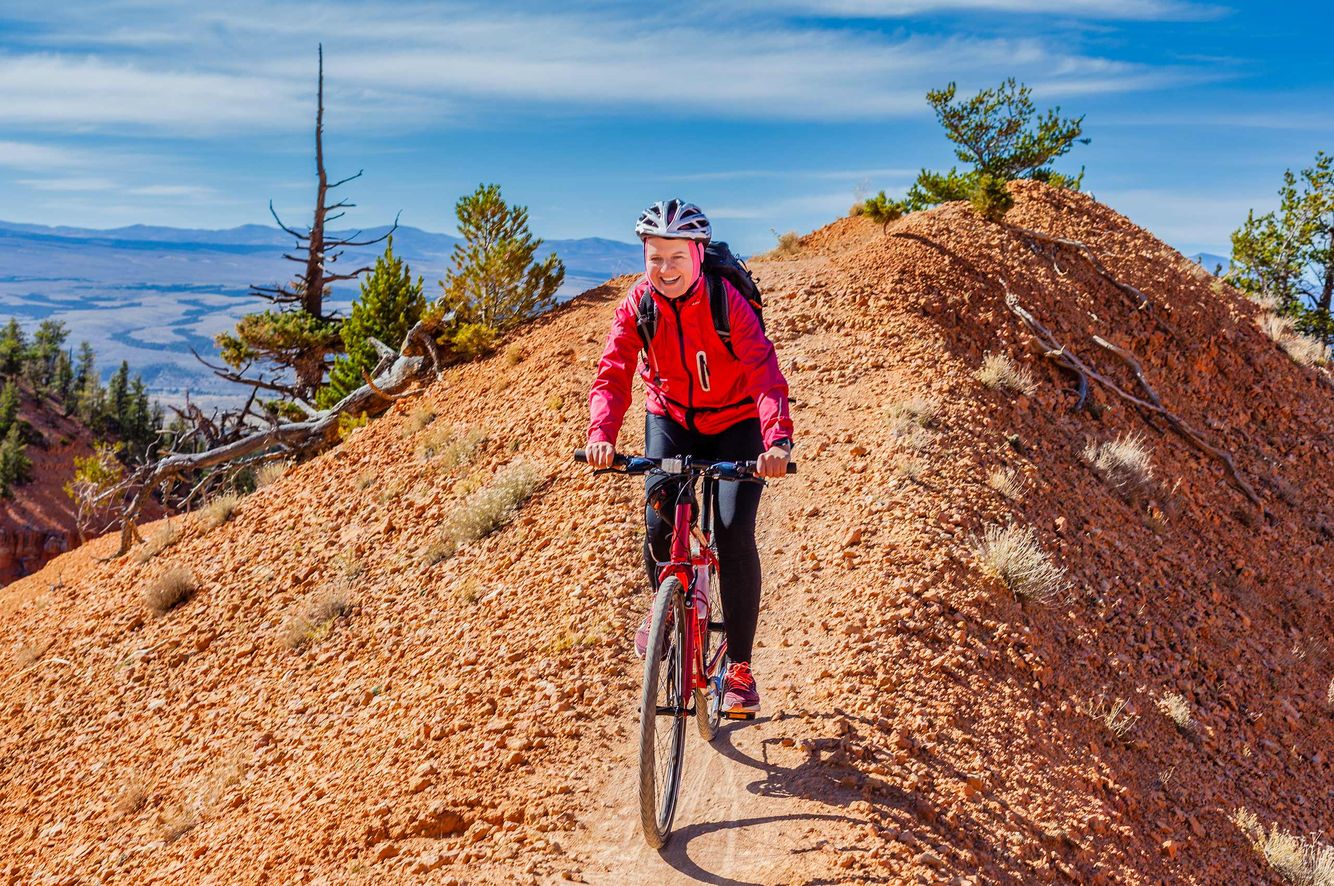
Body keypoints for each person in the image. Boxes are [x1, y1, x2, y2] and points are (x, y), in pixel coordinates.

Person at [585, 199, 793, 716]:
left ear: (698, 254)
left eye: (676, 256)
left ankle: (740, 668)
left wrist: (776, 441)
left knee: (732, 531)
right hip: (672, 419)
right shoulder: (639, 304)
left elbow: (764, 372)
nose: (665, 269)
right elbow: (613, 371)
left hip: (737, 423)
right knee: (658, 523)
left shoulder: (727, 302)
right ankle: (670, 610)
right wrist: (602, 434)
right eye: (655, 258)